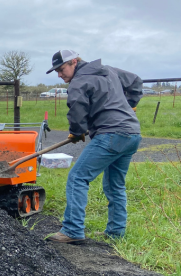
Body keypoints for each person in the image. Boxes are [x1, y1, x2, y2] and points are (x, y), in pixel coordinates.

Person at [45, 50, 143, 244]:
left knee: (77, 178)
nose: (59, 74)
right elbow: (136, 82)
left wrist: (77, 131)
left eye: (61, 69)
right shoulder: (108, 70)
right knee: (115, 184)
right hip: (132, 133)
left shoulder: (79, 82)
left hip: (111, 134)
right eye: (56, 71)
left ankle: (72, 230)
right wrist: (130, 105)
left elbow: (77, 110)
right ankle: (116, 232)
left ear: (74, 62)